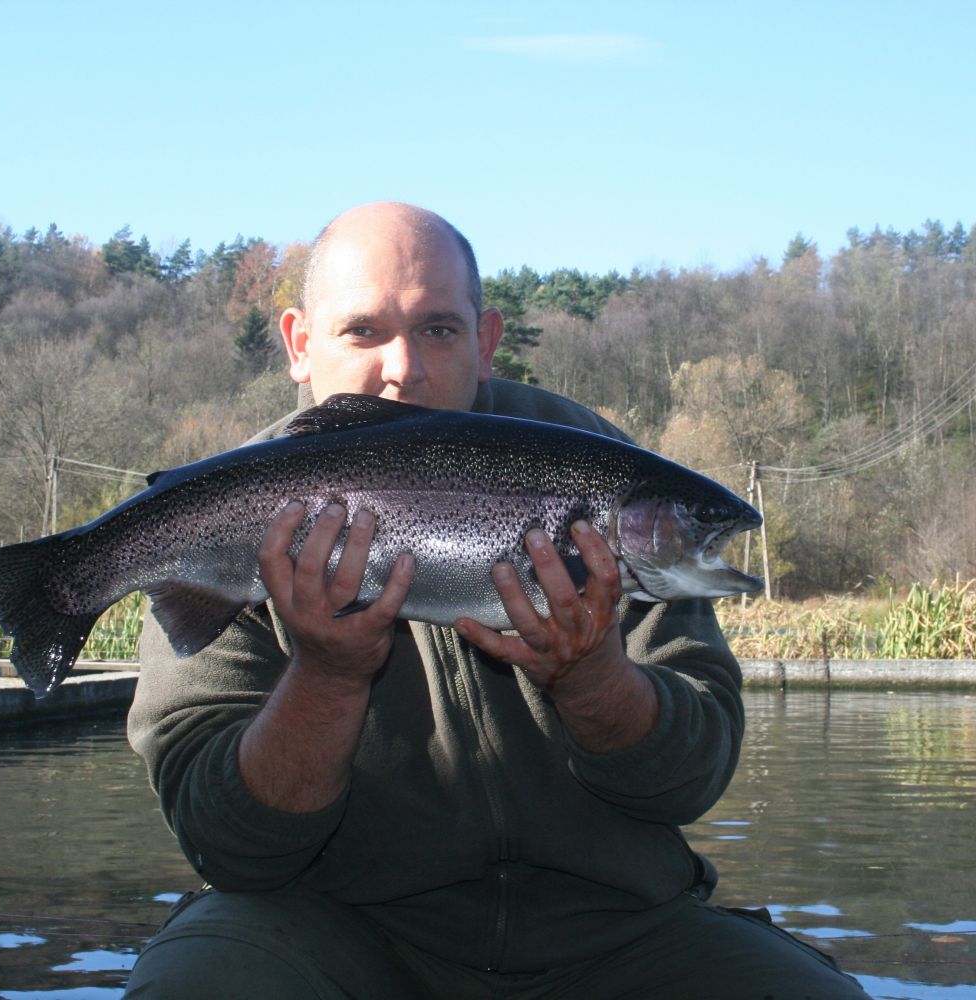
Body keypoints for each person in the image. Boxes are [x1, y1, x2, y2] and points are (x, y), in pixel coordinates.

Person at [123, 202, 867, 998]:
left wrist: (594, 679)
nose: (403, 367)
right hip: (331, 927)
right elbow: (229, 847)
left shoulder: (598, 473)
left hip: (615, 930)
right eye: (363, 331)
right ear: (300, 345)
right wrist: (328, 678)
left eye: (438, 329)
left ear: (486, 340)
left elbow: (690, 779)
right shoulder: (229, 506)